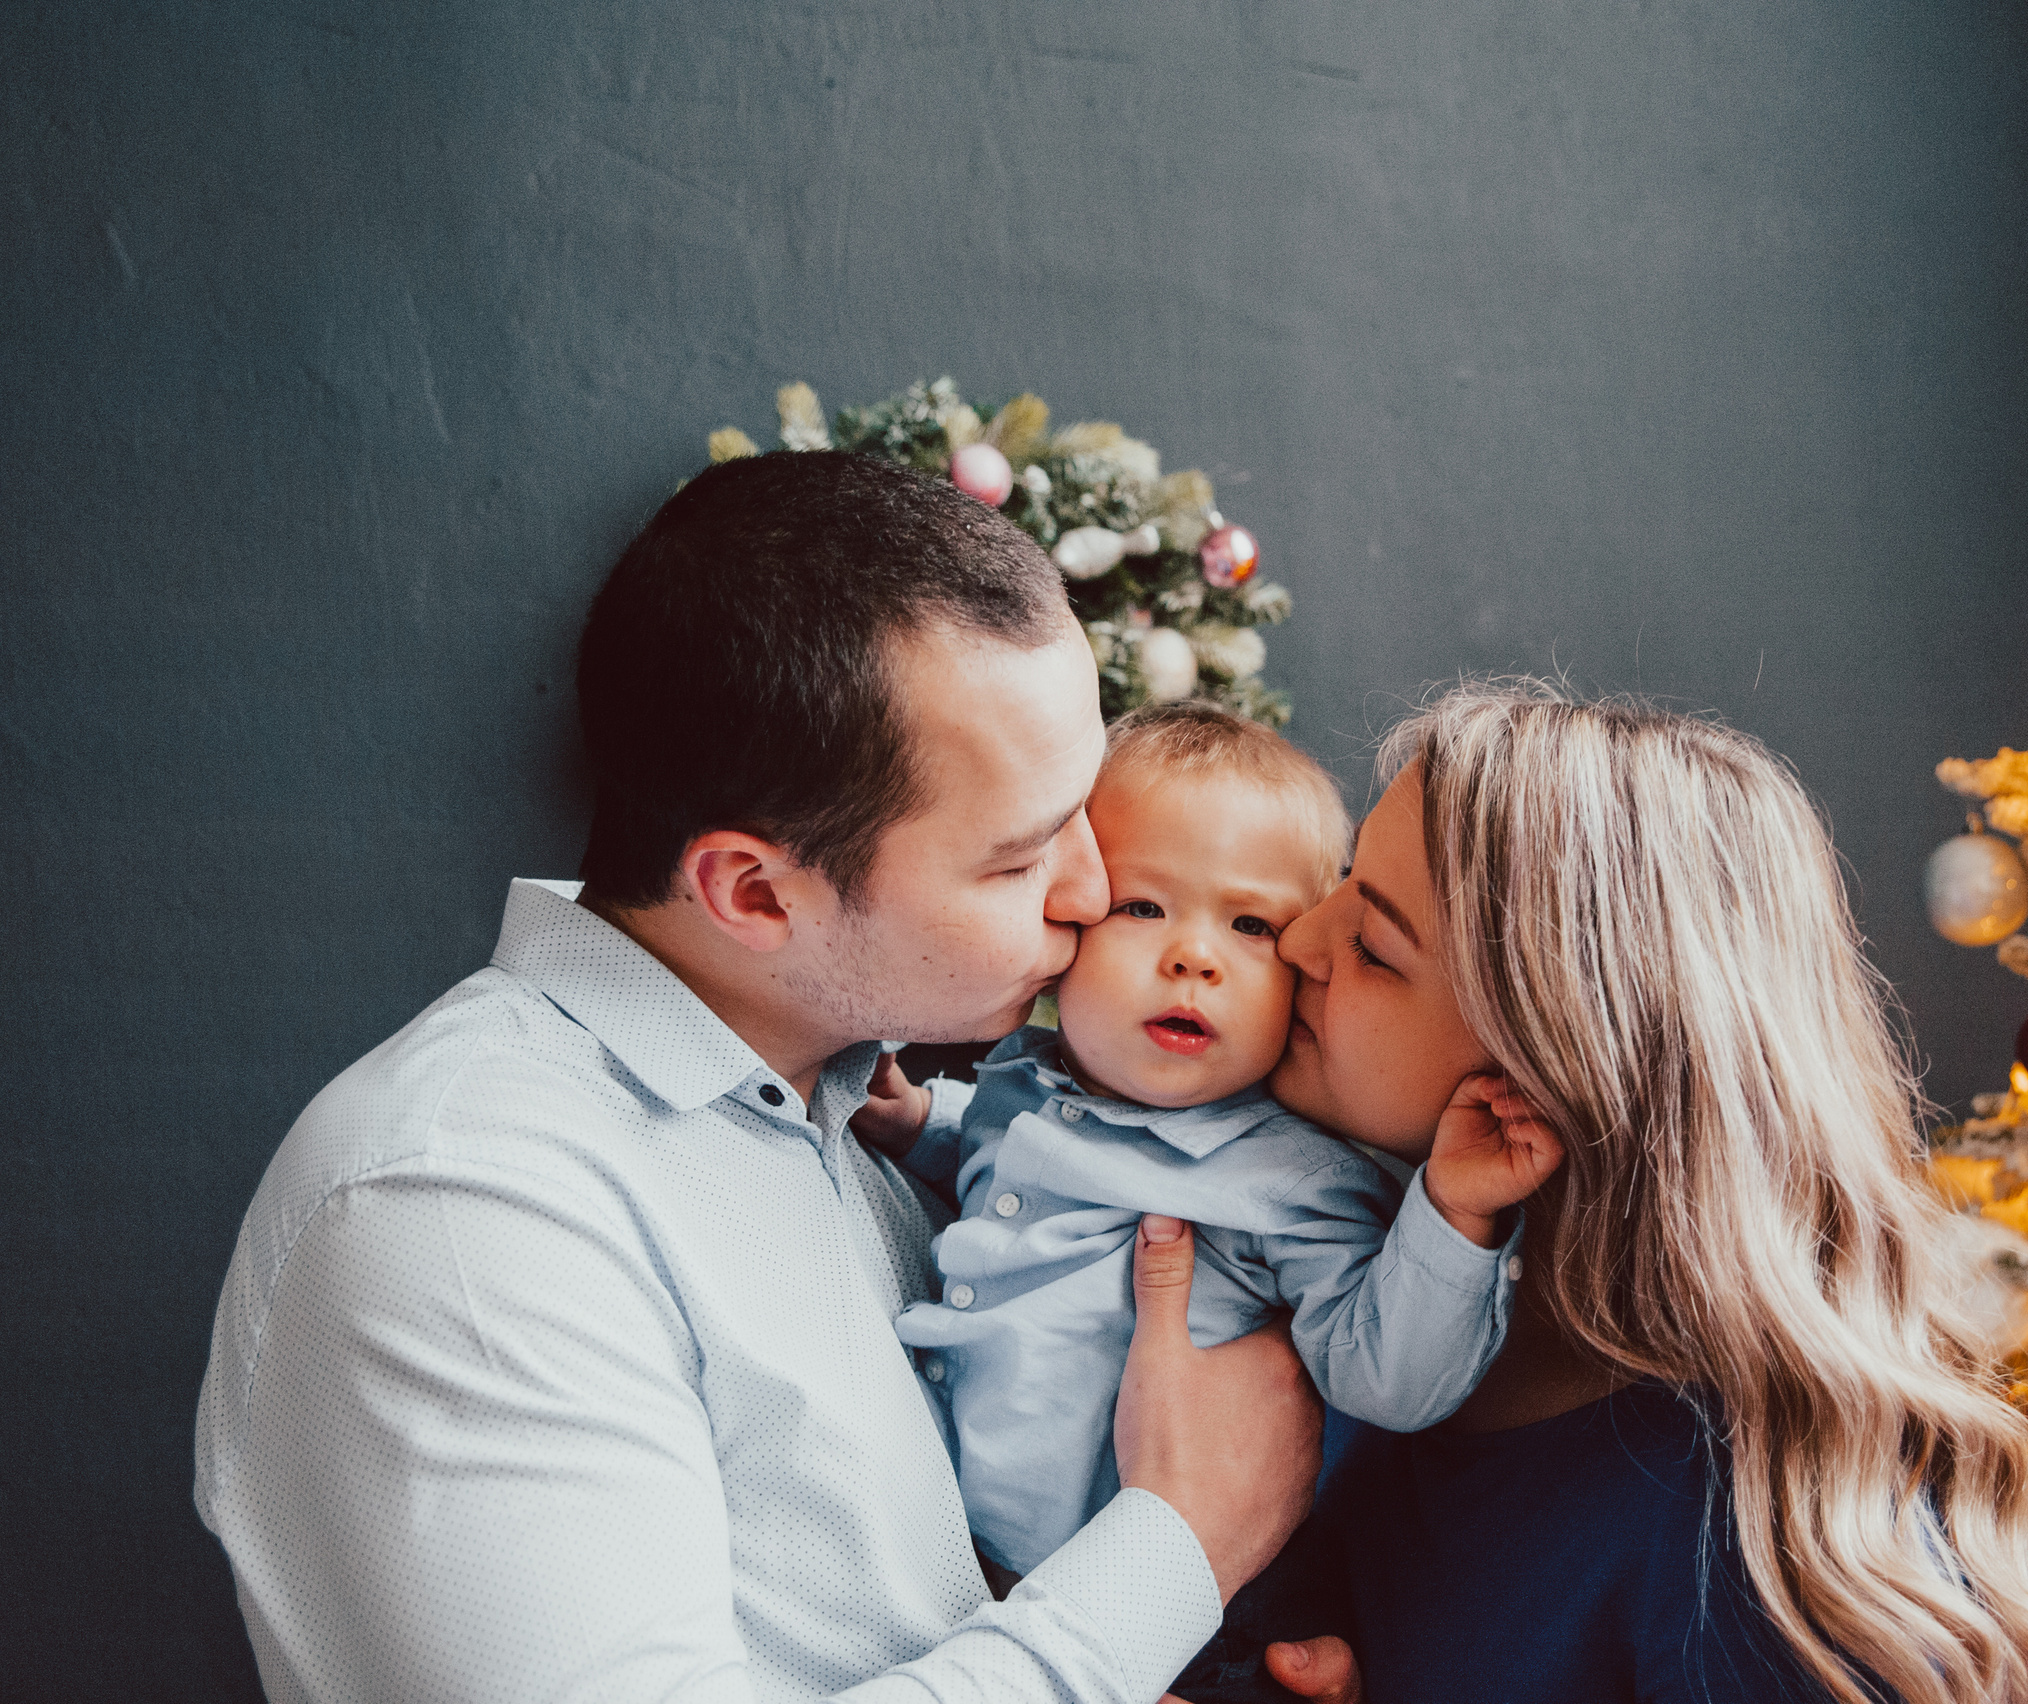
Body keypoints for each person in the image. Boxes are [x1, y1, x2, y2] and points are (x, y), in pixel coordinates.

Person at [192, 450, 1322, 1704]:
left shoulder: (862, 1114)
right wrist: (1177, 1547)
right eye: (1015, 861)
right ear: (752, 891)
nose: (1094, 891)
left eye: (1081, 813)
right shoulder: (460, 1210)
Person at [1252, 683, 2028, 1704]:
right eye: (1344, 882)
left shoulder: (1762, 1548)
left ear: (1549, 1063)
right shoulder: (1341, 1309)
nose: (1298, 939)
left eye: (1374, 948)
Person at [853, 703, 1560, 1704]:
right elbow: (1003, 1145)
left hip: (1187, 1625)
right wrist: (917, 1121)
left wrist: (1451, 1214)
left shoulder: (1290, 1181)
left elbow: (1389, 1380)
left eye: (1252, 925)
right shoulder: (1025, 1079)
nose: (1194, 956)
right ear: (1067, 919)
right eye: (1144, 909)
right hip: (979, 1592)